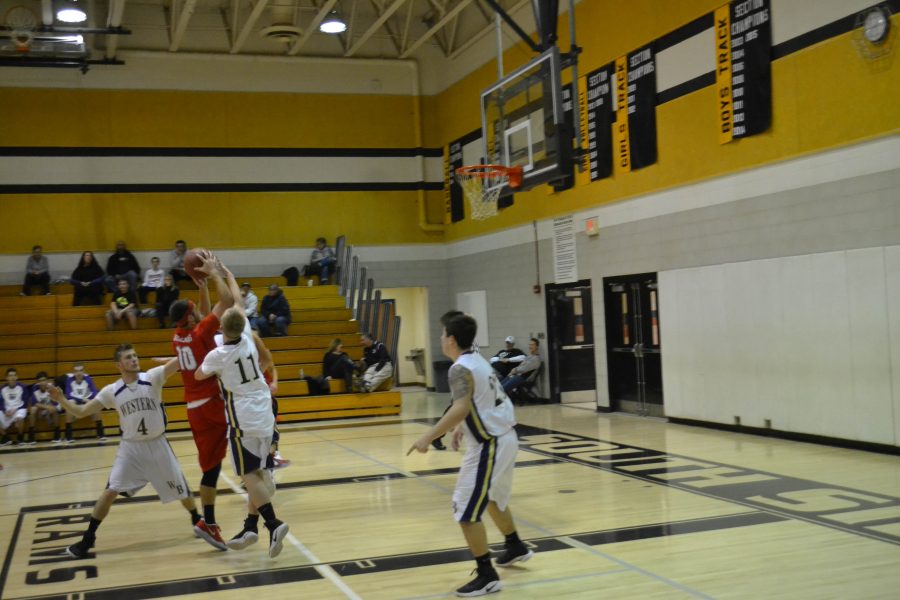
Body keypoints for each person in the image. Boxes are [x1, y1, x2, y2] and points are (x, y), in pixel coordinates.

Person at [49, 344, 219, 558]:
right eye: (129, 357)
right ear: (119, 364)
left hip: (158, 445)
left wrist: (177, 356)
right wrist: (61, 400)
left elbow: (183, 360)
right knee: (110, 491)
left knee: (181, 489)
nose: (134, 359)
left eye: (135, 355)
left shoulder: (153, 376)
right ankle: (87, 539)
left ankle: (196, 519)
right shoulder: (112, 391)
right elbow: (82, 411)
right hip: (131, 449)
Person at [407, 312, 533, 596]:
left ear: (450, 339)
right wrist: (461, 427)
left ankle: (487, 575)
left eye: (442, 334)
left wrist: (429, 435)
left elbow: (461, 407)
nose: (440, 338)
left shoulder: (459, 368)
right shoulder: (478, 360)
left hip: (490, 444)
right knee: (491, 499)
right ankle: (514, 545)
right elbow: (478, 402)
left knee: (465, 509)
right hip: (504, 437)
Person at [196, 307, 290, 558]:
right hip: (265, 412)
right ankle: (250, 526)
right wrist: (221, 274)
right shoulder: (247, 338)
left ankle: (273, 523)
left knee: (247, 473)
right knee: (259, 474)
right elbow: (235, 305)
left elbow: (197, 374)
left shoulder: (218, 354)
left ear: (220, 328)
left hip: (244, 418)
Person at [168, 251, 238, 551]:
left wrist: (201, 286)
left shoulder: (180, 335)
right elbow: (227, 303)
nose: (200, 311)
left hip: (193, 410)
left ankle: (206, 521)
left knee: (211, 468)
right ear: (192, 317)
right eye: (196, 310)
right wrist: (213, 274)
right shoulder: (200, 332)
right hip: (211, 405)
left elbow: (206, 313)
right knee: (241, 437)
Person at [64, 363, 106, 443]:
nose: (79, 373)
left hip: (86, 403)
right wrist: (82, 400)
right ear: (73, 372)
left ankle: (100, 433)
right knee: (69, 403)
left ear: (84, 371)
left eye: (80, 370)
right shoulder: (69, 380)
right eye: (76, 371)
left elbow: (94, 393)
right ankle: (68, 435)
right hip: (76, 403)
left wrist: (89, 401)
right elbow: (69, 395)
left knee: (96, 403)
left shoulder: (88, 379)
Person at [28, 372, 60, 444]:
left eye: (44, 380)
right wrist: (46, 407)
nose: (42, 382)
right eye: (40, 381)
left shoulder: (51, 387)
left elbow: (56, 403)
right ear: (37, 382)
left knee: (54, 409)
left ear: (47, 381)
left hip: (50, 408)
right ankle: (31, 435)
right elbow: (34, 403)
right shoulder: (34, 388)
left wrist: (50, 406)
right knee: (33, 409)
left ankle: (57, 434)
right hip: (41, 409)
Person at [1, 367, 29, 445]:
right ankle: (5, 437)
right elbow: (0, 403)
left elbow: (25, 402)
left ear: (17, 377)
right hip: (7, 411)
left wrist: (15, 409)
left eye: (14, 375)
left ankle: (20, 437)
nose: (12, 377)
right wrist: (4, 411)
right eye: (10, 375)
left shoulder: (23, 387)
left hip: (19, 408)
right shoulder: (2, 388)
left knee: (20, 418)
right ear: (6, 378)